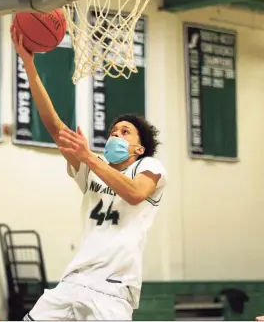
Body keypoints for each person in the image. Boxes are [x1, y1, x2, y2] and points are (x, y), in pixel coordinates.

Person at [11, 27, 167, 321]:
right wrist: (29, 65)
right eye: (112, 131)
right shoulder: (92, 166)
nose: (115, 135)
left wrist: (90, 159)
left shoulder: (149, 167)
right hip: (73, 281)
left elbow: (134, 194)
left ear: (139, 148)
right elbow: (55, 126)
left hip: (113, 288)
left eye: (124, 132)